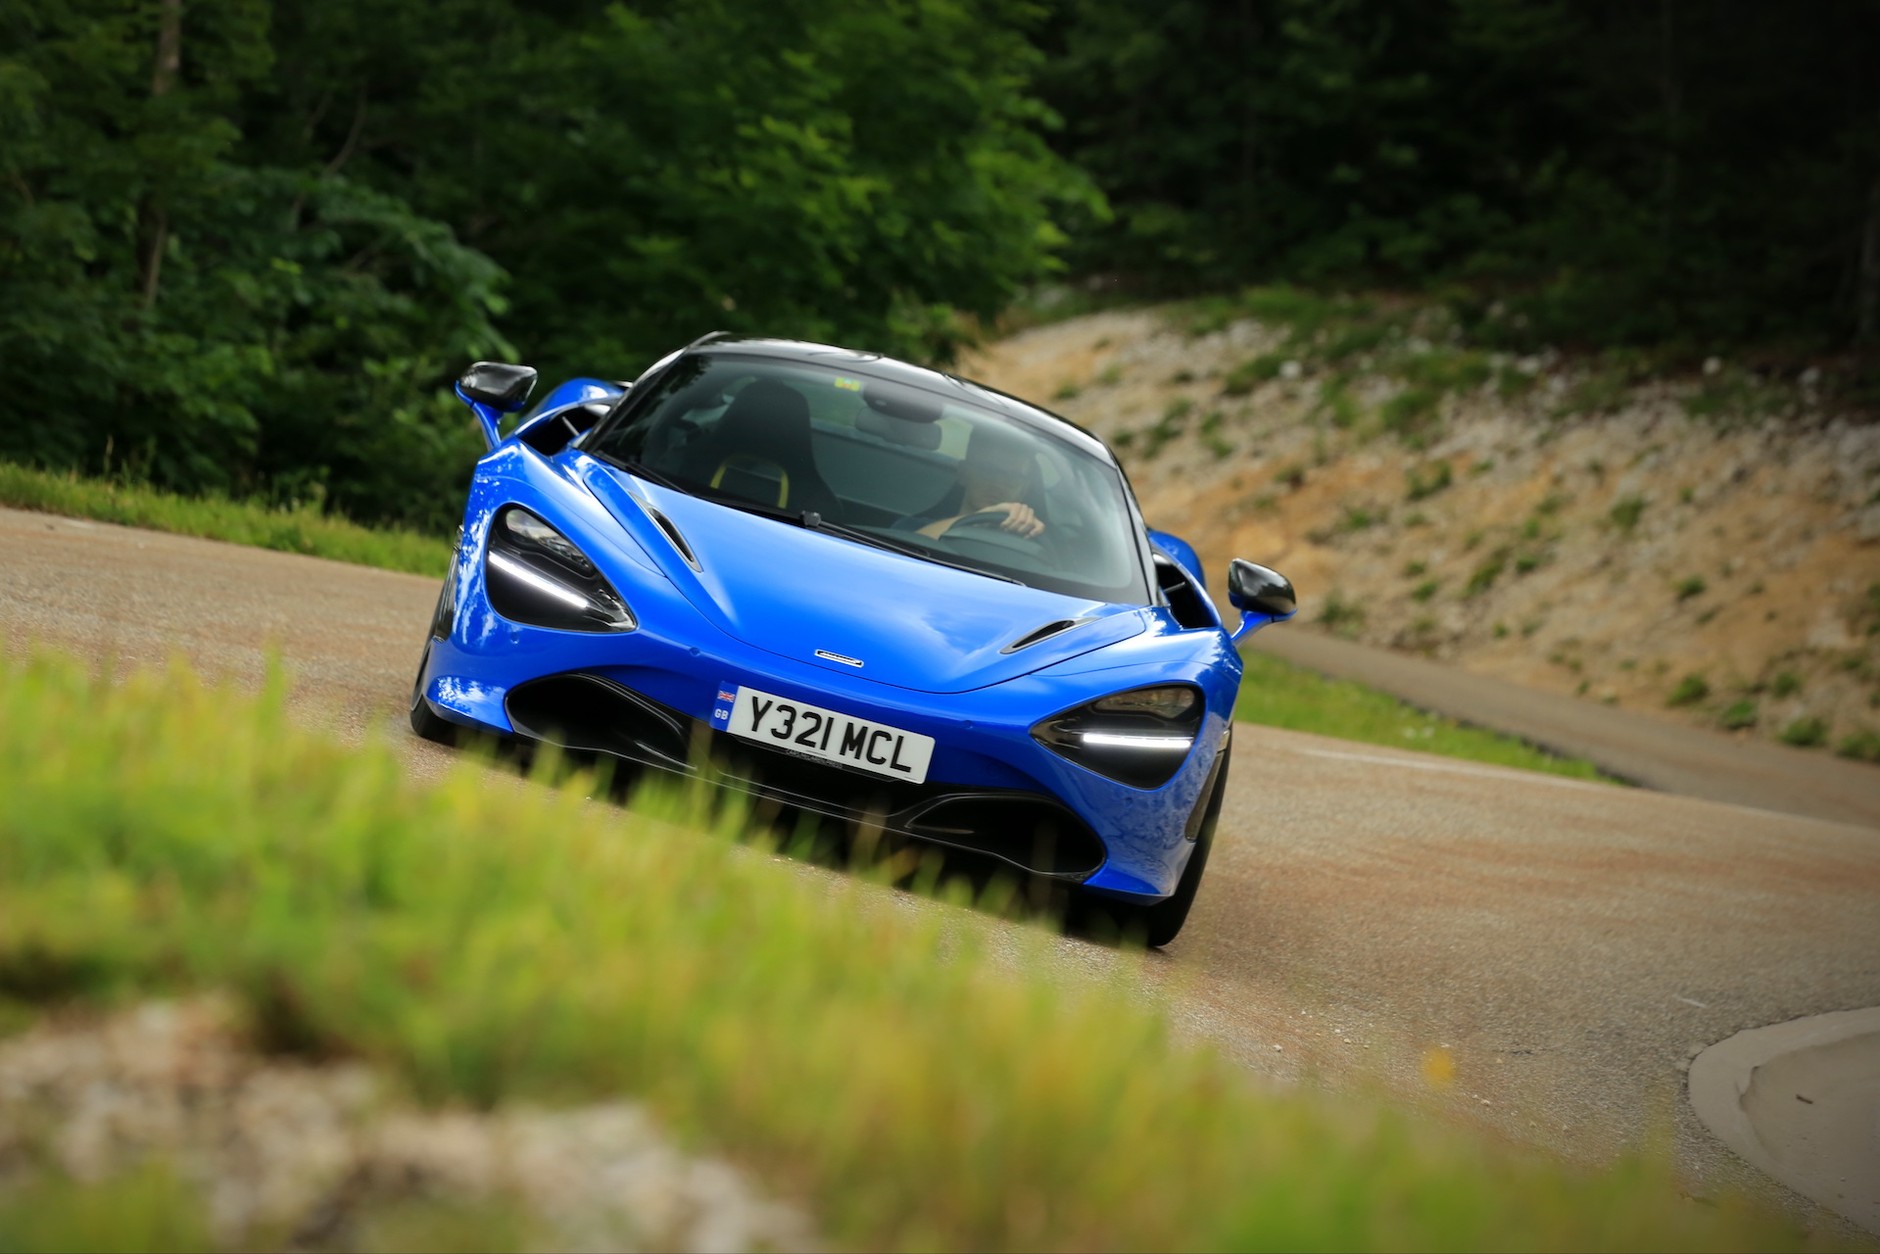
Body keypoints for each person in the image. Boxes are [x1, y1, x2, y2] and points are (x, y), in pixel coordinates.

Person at [913, 423, 1046, 539]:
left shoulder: (1031, 544)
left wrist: (1035, 533)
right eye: (990, 471)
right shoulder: (919, 525)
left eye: (1012, 477)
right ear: (964, 473)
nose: (998, 483)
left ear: (1024, 489)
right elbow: (915, 541)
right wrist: (984, 515)